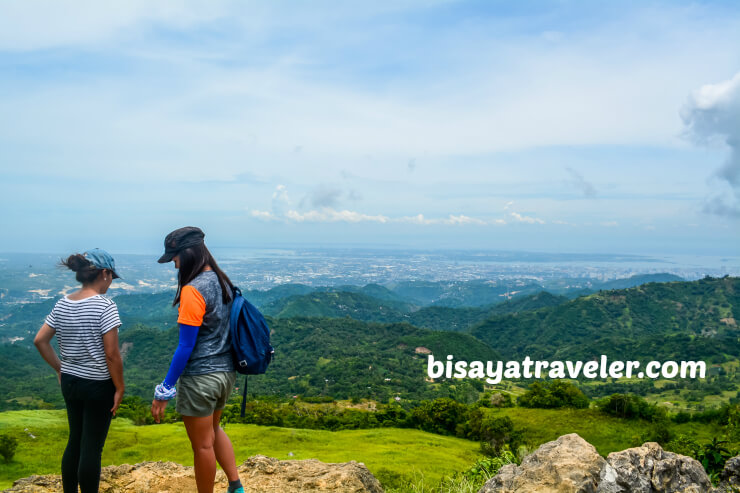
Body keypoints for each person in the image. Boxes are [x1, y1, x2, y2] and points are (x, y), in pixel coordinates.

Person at [150, 226, 244, 493]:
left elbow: (185, 346)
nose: (174, 264)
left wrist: (164, 390)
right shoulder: (223, 281)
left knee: (202, 445)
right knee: (214, 430)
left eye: (175, 258)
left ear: (188, 254)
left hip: (201, 377)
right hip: (226, 374)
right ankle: (235, 486)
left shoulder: (193, 289)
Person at [34, 248, 125, 493]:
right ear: (104, 274)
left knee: (75, 441)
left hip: (70, 382)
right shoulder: (105, 306)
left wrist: (61, 368)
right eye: (112, 277)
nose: (111, 283)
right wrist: (119, 387)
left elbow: (40, 340)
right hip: (97, 384)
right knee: (92, 447)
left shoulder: (63, 303)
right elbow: (112, 354)